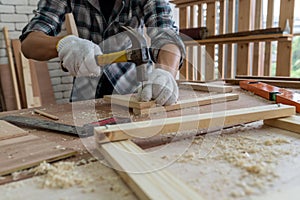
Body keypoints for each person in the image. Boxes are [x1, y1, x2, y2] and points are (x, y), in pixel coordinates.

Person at [20, 0, 185, 105]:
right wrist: (64, 44)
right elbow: (29, 43)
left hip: (133, 92)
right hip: (86, 91)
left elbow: (166, 35)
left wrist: (165, 73)